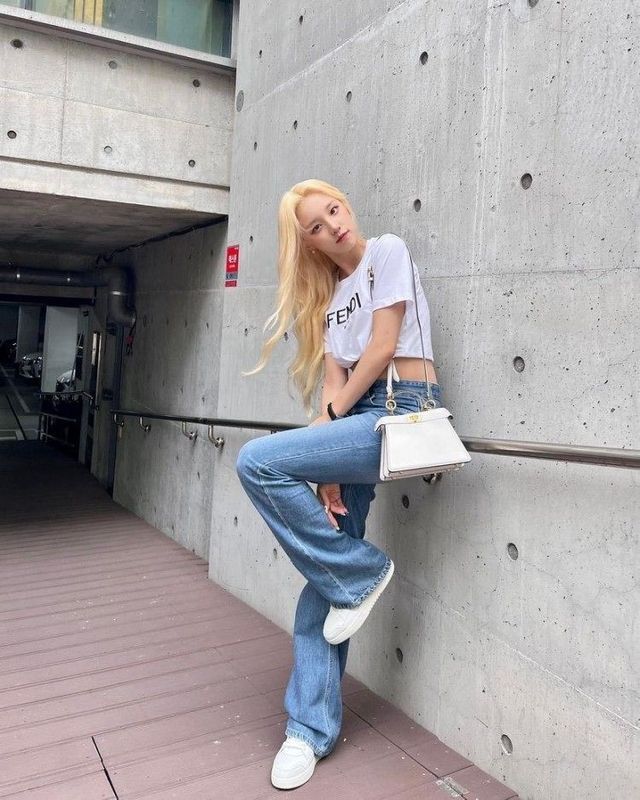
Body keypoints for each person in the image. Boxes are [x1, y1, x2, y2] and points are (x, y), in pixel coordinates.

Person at [236, 178, 441, 790]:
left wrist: (331, 419)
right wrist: (326, 471)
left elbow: (382, 349)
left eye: (333, 210)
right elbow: (331, 385)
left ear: (345, 205)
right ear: (310, 244)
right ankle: (308, 730)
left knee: (256, 462)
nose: (333, 225)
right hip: (353, 418)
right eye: (316, 226)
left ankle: (360, 572)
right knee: (323, 580)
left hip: (400, 407)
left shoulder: (387, 252)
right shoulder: (330, 305)